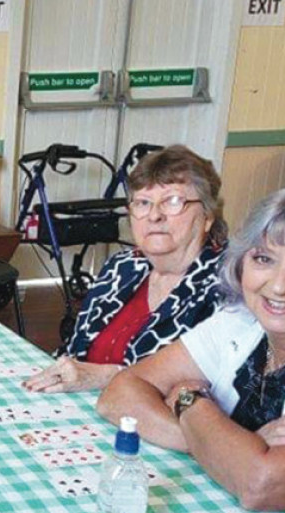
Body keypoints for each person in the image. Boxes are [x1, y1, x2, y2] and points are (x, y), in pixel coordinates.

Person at [98, 188, 285, 512]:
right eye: (263, 258)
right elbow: (118, 394)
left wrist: (189, 400)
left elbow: (259, 485)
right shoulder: (239, 321)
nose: (279, 285)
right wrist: (224, 448)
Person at [23, 145, 227, 393]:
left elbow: (209, 389)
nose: (154, 215)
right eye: (142, 202)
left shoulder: (228, 286)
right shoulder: (122, 266)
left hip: (151, 424)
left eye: (173, 201)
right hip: (79, 406)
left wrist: (110, 377)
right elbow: (74, 351)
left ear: (208, 216)